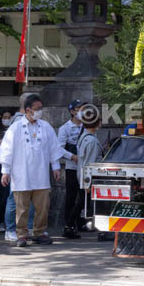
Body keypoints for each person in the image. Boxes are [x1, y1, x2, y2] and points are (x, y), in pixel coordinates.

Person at [0, 93, 64, 246]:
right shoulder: (15, 128)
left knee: (42, 207)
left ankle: (39, 232)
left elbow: (54, 148)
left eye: (41, 108)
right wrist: (5, 172)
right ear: (28, 110)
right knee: (22, 207)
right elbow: (7, 150)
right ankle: (21, 234)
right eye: (37, 108)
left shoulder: (45, 127)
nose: (40, 111)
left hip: (40, 174)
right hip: (21, 174)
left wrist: (56, 167)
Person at [76, 109, 105, 239]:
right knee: (97, 206)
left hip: (83, 176)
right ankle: (102, 231)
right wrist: (87, 183)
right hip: (91, 178)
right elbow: (90, 163)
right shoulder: (92, 141)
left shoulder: (84, 137)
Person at [57, 99, 84, 238]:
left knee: (84, 195)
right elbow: (59, 148)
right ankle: (69, 224)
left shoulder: (87, 126)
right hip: (72, 166)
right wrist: (72, 157)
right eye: (79, 109)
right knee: (71, 197)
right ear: (72, 111)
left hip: (85, 167)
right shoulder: (65, 128)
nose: (82, 112)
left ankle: (80, 221)